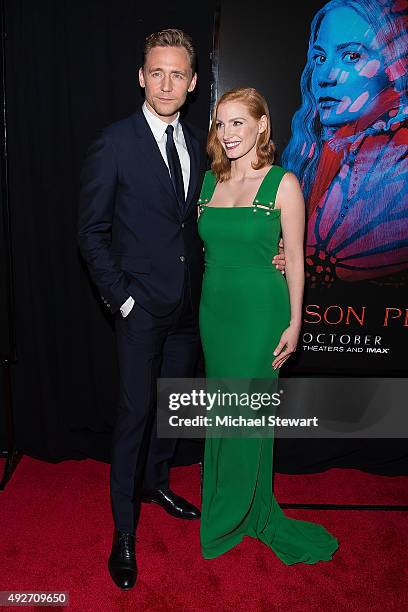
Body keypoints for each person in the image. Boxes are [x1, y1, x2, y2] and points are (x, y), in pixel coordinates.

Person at [78, 29, 286, 589]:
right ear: (141, 77)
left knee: (175, 407)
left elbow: (219, 219)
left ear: (194, 84)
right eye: (157, 72)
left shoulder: (204, 144)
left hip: (194, 309)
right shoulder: (114, 143)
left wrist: (278, 248)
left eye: (178, 75)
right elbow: (91, 233)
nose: (167, 83)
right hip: (139, 310)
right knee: (134, 416)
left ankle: (157, 480)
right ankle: (124, 530)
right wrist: (122, 299)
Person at [198, 87, 338, 563]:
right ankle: (239, 502)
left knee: (246, 413)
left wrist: (296, 323)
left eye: (239, 122)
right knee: (223, 410)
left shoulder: (283, 183)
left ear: (262, 126)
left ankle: (230, 517)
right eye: (221, 123)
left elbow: (296, 260)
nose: (228, 133)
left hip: (262, 313)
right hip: (215, 310)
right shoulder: (207, 182)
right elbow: (213, 249)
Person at [281, 0, 407, 288]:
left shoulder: (398, 162)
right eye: (320, 58)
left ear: (394, 65)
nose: (325, 76)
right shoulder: (311, 157)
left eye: (351, 56)